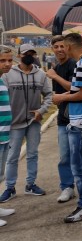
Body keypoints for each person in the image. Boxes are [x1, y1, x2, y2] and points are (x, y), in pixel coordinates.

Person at [0, 43, 53, 202]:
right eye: (26, 53)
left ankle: (30, 184)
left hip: (34, 122)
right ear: (19, 55)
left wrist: (41, 111)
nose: (29, 55)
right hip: (14, 124)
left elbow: (49, 95)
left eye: (32, 53)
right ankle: (10, 187)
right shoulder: (7, 75)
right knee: (12, 157)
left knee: (33, 154)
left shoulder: (41, 75)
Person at [53, 33, 82, 223]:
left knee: (78, 168)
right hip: (78, 120)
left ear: (68, 47)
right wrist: (69, 93)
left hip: (79, 122)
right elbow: (79, 90)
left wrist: (62, 97)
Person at [46, 35, 77, 203]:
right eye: (56, 47)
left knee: (78, 154)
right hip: (63, 118)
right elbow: (57, 95)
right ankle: (67, 187)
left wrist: (55, 77)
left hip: (77, 117)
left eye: (62, 46)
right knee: (64, 155)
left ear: (68, 48)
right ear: (52, 49)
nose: (59, 49)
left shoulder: (73, 65)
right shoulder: (56, 67)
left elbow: (74, 89)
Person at [0, 46, 16, 226]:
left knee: (0, 175)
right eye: (3, 60)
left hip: (4, 135)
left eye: (10, 60)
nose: (7, 64)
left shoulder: (2, 81)